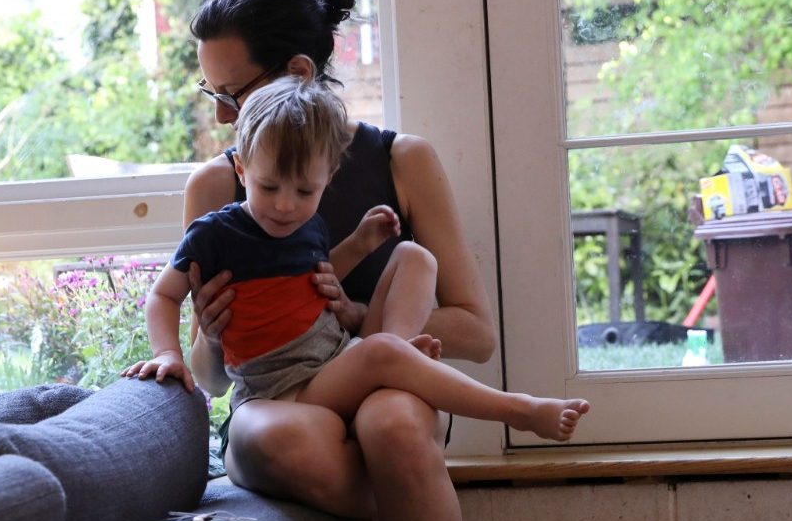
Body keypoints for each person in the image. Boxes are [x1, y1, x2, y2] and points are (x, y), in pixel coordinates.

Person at [170, 0, 589, 521]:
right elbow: (212, 377)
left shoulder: (402, 161)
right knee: (284, 440)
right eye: (214, 97)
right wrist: (210, 331)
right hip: (287, 398)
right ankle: (432, 518)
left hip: (384, 383)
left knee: (393, 422)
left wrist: (363, 326)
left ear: (299, 72)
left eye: (232, 95)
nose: (224, 117)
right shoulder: (218, 185)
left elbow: (475, 331)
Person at [124, 75, 588, 446]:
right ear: (241, 169)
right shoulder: (214, 233)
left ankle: (399, 357)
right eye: (269, 188)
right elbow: (163, 295)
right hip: (287, 389)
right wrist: (168, 354)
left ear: (328, 177)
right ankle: (518, 410)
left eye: (304, 190)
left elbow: (317, 278)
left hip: (333, 363)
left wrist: (362, 243)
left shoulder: (307, 224)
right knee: (381, 352)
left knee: (414, 257)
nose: (285, 204)